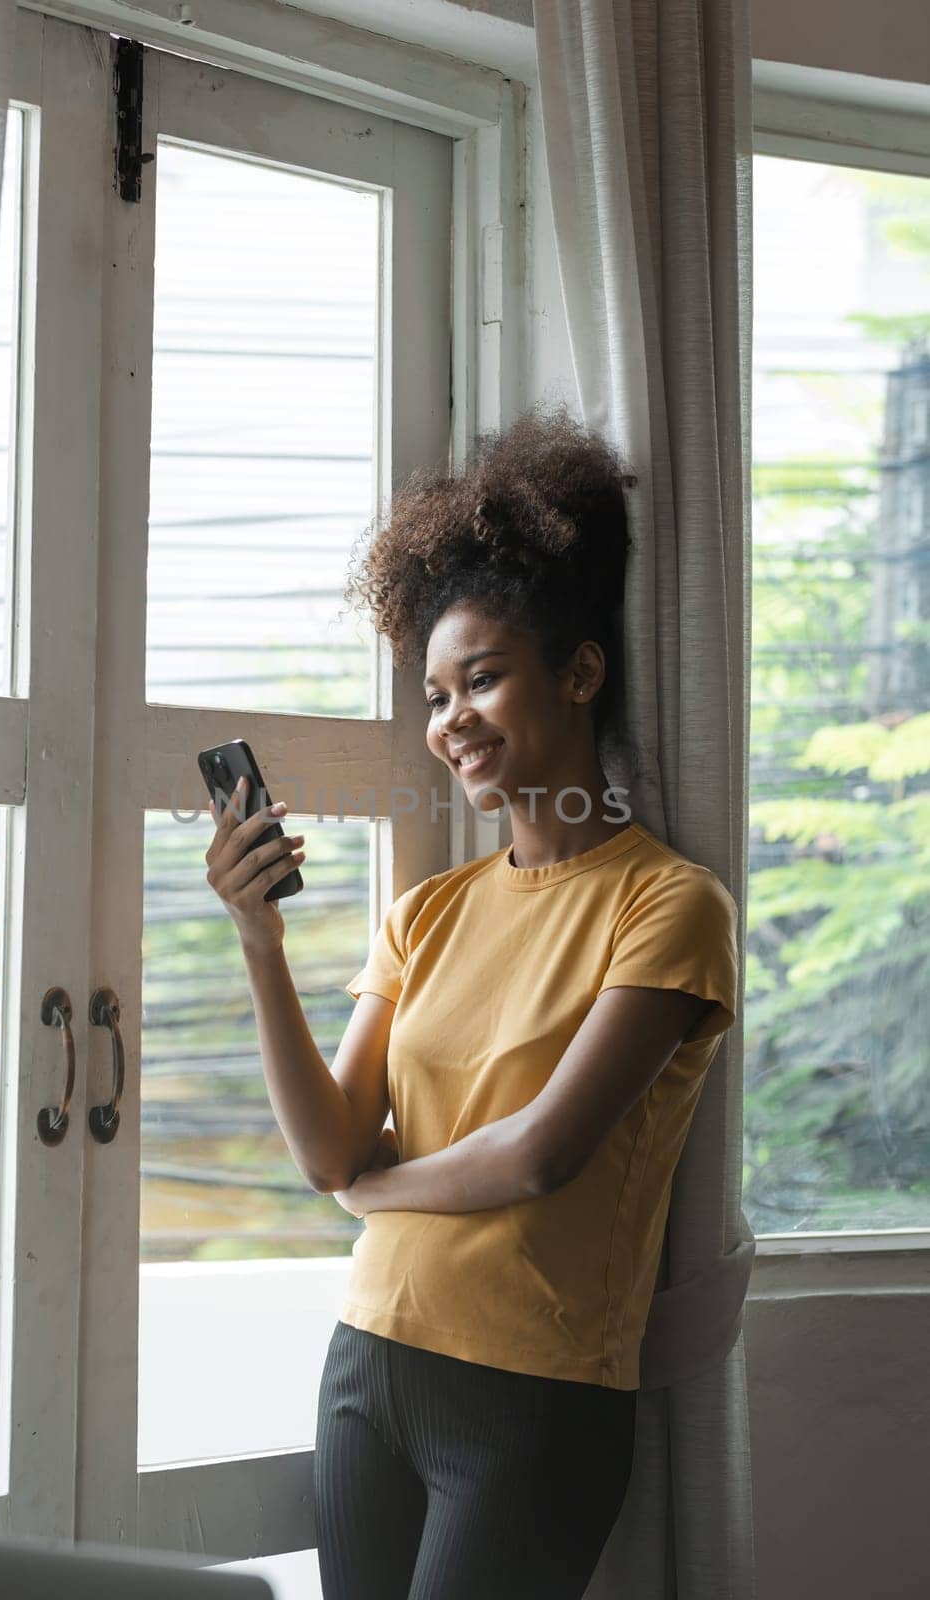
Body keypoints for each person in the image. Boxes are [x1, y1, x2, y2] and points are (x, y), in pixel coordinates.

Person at [204, 400, 740, 1600]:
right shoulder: (427, 910)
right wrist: (258, 941)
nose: (449, 723)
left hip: (533, 1398)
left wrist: (378, 1190)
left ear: (580, 672)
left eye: (480, 681)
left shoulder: (667, 903)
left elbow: (545, 1152)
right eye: (434, 696)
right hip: (369, 1365)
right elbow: (327, 1145)